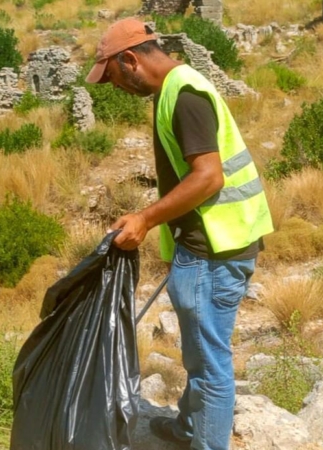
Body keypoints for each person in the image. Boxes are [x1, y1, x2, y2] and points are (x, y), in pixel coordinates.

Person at [87, 17, 274, 450]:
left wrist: (145, 219)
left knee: (209, 365)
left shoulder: (184, 95)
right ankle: (189, 428)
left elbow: (209, 178)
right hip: (217, 244)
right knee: (201, 353)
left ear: (130, 59)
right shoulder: (175, 88)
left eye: (112, 76)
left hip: (212, 252)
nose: (113, 86)